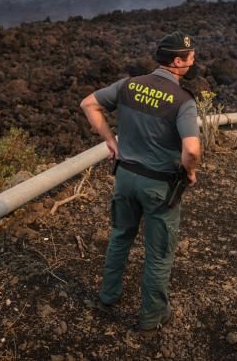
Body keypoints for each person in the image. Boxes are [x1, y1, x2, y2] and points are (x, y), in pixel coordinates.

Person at [79, 31, 201, 332]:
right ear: (177, 61)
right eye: (191, 57)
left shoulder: (128, 85)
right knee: (159, 252)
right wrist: (190, 171)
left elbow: (88, 104)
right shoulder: (183, 101)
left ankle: (108, 295)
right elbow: (192, 149)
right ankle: (151, 315)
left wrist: (111, 141)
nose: (194, 61)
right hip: (158, 186)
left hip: (124, 177)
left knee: (121, 235)